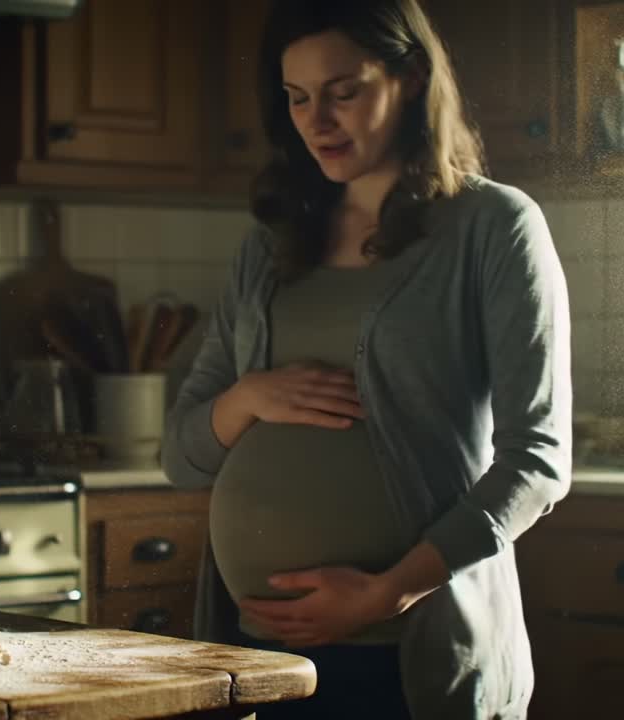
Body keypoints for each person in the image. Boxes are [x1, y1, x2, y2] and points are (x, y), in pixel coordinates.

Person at [160, 0, 572, 717]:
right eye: (297, 98)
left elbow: (538, 462)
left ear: (410, 77)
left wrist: (389, 592)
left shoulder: (494, 228)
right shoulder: (268, 245)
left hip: (409, 655)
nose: (317, 120)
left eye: (343, 92)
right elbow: (181, 458)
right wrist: (247, 398)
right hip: (259, 660)